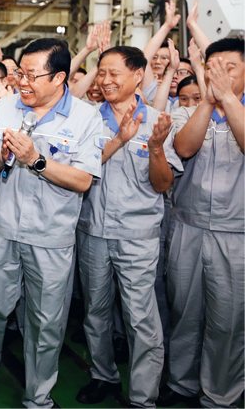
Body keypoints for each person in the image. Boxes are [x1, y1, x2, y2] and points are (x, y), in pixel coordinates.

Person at [0, 38, 103, 408]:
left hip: (51, 237)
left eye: (31, 75)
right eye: (19, 73)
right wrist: (2, 156)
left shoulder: (85, 118)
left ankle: (38, 396)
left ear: (58, 77)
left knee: (46, 322)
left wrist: (36, 160)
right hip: (3, 228)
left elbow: (83, 180)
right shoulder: (6, 107)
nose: (22, 82)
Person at [74, 46, 182, 407]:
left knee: (141, 319)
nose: (105, 80)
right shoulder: (87, 118)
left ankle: (142, 397)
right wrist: (119, 138)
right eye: (101, 72)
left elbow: (163, 184)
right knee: (95, 312)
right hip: (93, 230)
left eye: (113, 73)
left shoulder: (158, 121)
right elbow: (80, 172)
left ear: (138, 76)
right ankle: (103, 375)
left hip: (137, 236)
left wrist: (156, 148)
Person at [160, 37, 244, 408]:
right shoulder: (196, 109)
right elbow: (183, 148)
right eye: (213, 67)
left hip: (236, 231)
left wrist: (228, 99)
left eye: (230, 67)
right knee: (185, 310)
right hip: (188, 225)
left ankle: (219, 395)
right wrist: (210, 100)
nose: (219, 74)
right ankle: (181, 382)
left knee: (228, 319)